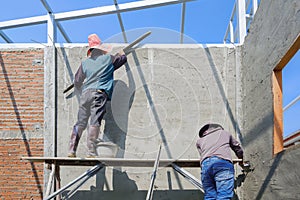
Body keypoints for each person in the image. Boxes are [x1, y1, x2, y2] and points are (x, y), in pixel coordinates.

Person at [68, 33, 127, 158]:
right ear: (101, 49)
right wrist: (122, 54)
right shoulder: (108, 59)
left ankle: (72, 150)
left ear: (91, 51)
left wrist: (80, 87)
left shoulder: (85, 63)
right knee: (95, 122)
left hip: (85, 95)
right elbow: (121, 60)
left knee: (80, 123)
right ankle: (91, 152)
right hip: (98, 94)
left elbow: (77, 81)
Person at [196, 123, 244, 200]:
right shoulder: (224, 133)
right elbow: (237, 147)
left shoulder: (199, 141)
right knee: (224, 195)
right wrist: (241, 159)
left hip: (206, 166)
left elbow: (202, 155)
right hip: (222, 163)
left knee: (210, 196)